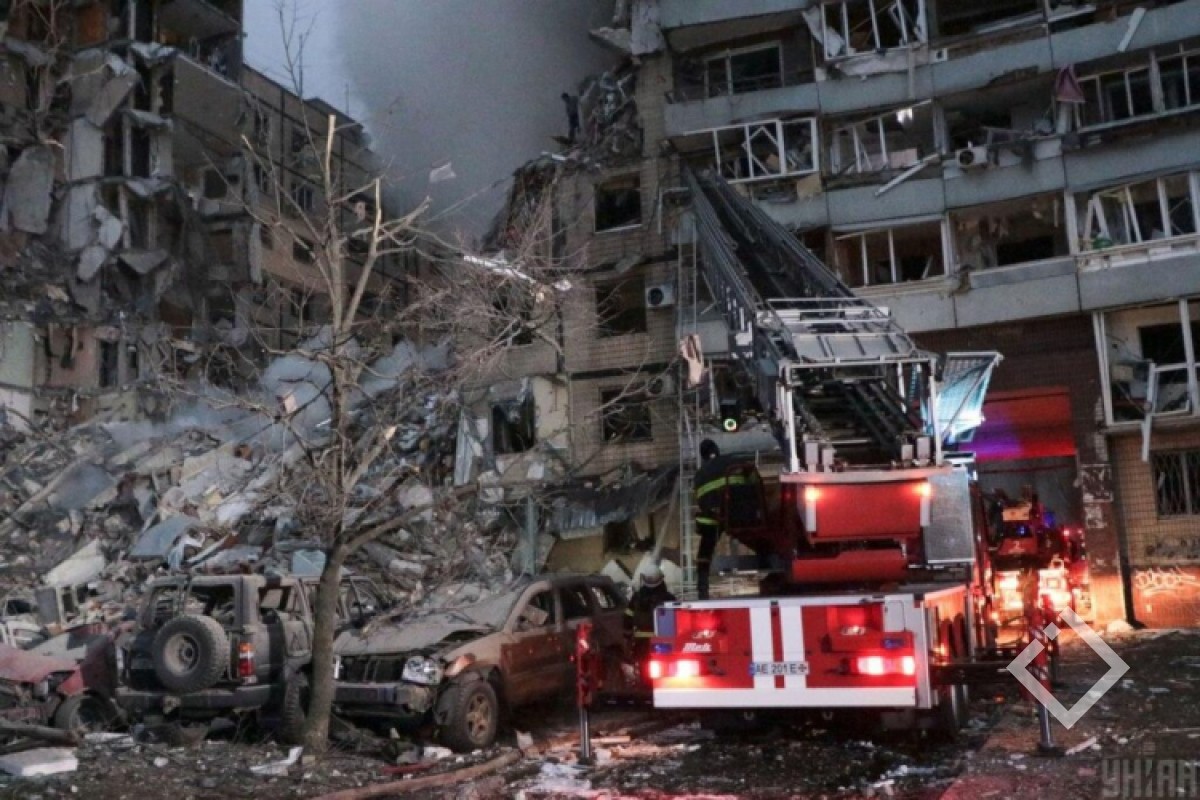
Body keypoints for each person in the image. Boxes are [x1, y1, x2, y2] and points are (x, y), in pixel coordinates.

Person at [693, 439, 762, 599]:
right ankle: (767, 554)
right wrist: (756, 501)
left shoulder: (699, 475)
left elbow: (702, 502)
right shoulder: (734, 461)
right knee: (761, 536)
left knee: (705, 547)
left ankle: (702, 585)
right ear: (717, 451)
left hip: (717, 518)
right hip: (742, 514)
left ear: (703, 456)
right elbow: (754, 477)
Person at [625, 565, 675, 673]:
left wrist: (628, 635)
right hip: (663, 642)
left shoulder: (637, 597)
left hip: (641, 643)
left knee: (644, 669)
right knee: (665, 668)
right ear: (661, 579)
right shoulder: (669, 598)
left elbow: (627, 618)